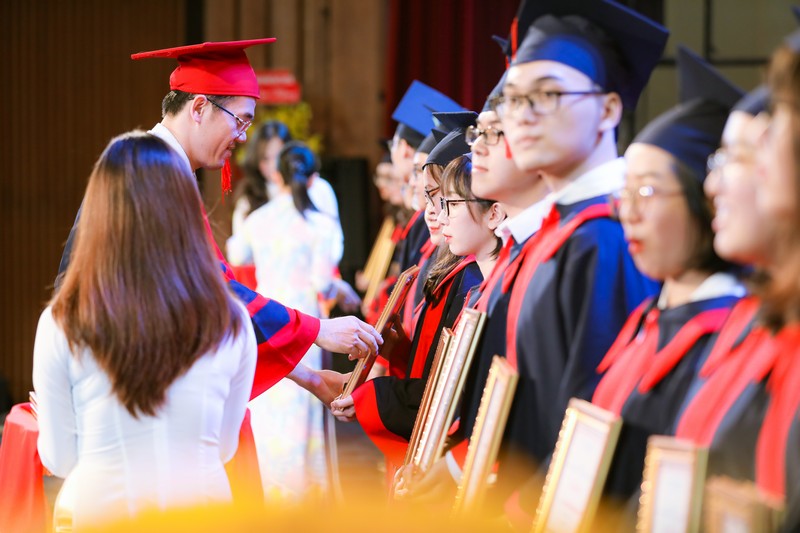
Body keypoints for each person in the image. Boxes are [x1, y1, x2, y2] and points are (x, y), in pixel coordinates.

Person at [54, 39, 381, 404]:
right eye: (241, 120)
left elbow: (202, 302)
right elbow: (213, 293)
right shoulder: (149, 172)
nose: (243, 136)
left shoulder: (159, 167)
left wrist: (310, 377)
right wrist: (316, 330)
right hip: (120, 386)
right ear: (199, 108)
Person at [481, 0, 667, 510]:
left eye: (547, 94)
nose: (522, 116)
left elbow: (603, 418)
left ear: (608, 109)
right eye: (513, 99)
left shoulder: (609, 237)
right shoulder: (557, 229)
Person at [34, 131, 257, 528]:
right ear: (186, 211)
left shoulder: (64, 320)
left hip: (102, 516)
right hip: (203, 514)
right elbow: (224, 447)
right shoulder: (233, 320)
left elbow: (60, 459)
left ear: (99, 215)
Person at [589, 46, 745, 505]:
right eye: (625, 193)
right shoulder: (651, 317)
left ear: (707, 201)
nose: (628, 213)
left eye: (648, 191)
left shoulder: (726, 338)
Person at [331, 125, 484, 471]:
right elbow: (429, 363)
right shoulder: (446, 265)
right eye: (429, 198)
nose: (433, 212)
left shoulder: (471, 280)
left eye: (446, 201)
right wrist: (398, 350)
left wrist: (368, 396)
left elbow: (450, 391)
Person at [227, 141, 358, 499]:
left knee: (269, 403)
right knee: (303, 407)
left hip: (268, 317)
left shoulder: (258, 219)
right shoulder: (320, 224)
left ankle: (270, 487)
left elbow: (237, 254)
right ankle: (303, 493)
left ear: (278, 176)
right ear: (314, 178)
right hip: (305, 321)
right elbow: (322, 281)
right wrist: (343, 290)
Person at [232, 120, 344, 264]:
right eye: (266, 158)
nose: (274, 165)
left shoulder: (319, 189)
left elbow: (334, 245)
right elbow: (239, 256)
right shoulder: (249, 200)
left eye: (278, 156)